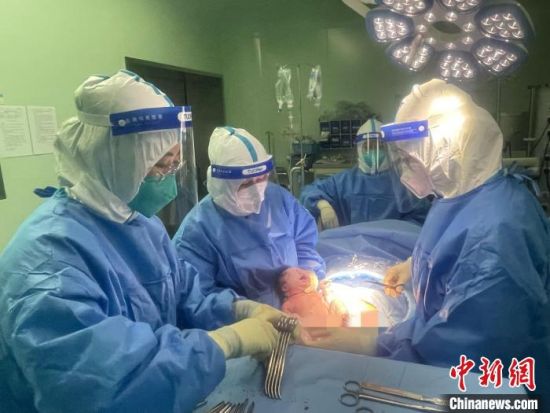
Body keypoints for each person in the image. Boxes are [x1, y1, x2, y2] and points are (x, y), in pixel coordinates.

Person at [0, 70, 286, 413]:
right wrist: (226, 342)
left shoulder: (141, 224)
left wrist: (237, 309)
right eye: (161, 165)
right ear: (116, 160)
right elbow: (94, 385)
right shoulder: (48, 260)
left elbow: (185, 294)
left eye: (176, 163)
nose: (170, 180)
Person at [379, 79, 550, 399]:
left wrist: (376, 343)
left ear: (446, 151)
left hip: (496, 390)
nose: (406, 169)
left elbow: (462, 355)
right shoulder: (465, 192)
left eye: (410, 158)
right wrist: (413, 265)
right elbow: (450, 246)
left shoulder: (496, 238)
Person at [173, 126, 326, 308]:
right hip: (245, 323)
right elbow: (196, 298)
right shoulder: (197, 232)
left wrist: (308, 274)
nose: (257, 192)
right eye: (246, 184)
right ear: (221, 183)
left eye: (261, 179)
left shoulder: (279, 200)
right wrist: (240, 310)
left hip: (298, 308)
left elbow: (304, 242)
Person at [299, 118, 431, 230]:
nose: (374, 151)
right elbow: (309, 192)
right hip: (350, 247)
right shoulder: (344, 181)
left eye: (380, 146)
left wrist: (397, 232)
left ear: (388, 148)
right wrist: (323, 206)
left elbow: (420, 217)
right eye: (368, 147)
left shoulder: (402, 182)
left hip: (390, 246)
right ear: (359, 149)